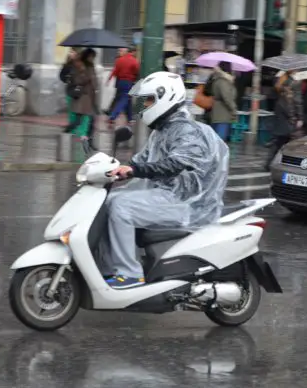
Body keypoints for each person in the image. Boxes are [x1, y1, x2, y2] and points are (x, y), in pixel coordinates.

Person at [101, 71, 230, 289]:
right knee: (108, 200)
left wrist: (133, 170)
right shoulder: (162, 131)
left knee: (121, 207)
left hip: (186, 203)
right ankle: (107, 269)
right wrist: (110, 167)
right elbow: (141, 161)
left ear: (167, 97)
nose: (144, 105)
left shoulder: (187, 131)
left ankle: (130, 274)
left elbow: (174, 164)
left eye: (149, 100)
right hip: (167, 196)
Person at [265, 71, 303, 171]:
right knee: (289, 142)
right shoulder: (294, 83)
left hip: (279, 113)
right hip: (288, 115)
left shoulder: (280, 80)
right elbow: (296, 101)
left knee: (279, 141)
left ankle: (269, 164)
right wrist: (299, 117)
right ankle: (286, 164)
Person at [68, 48, 98, 141]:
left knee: (91, 118)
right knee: (79, 119)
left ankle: (89, 138)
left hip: (90, 96)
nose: (92, 58)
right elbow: (77, 80)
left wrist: (95, 85)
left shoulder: (90, 65)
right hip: (82, 97)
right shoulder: (79, 65)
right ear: (88, 56)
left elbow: (94, 79)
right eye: (92, 56)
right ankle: (66, 131)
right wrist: (86, 78)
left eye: (93, 57)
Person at [107, 47, 140, 128]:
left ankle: (130, 119)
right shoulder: (134, 60)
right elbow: (137, 71)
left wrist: (109, 79)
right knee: (124, 100)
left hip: (120, 82)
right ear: (133, 52)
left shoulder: (120, 60)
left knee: (128, 100)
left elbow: (115, 71)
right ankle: (112, 116)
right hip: (128, 82)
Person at [208, 61, 238, 142]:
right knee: (220, 140)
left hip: (218, 112)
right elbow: (227, 98)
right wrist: (234, 109)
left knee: (217, 139)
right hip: (222, 113)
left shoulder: (219, 79)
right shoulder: (223, 81)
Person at [59, 48, 78, 133]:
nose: (71, 53)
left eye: (73, 52)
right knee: (71, 109)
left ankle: (75, 126)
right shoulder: (67, 65)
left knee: (76, 109)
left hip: (78, 90)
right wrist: (66, 79)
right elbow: (61, 75)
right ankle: (71, 125)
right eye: (70, 52)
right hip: (70, 89)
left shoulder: (80, 64)